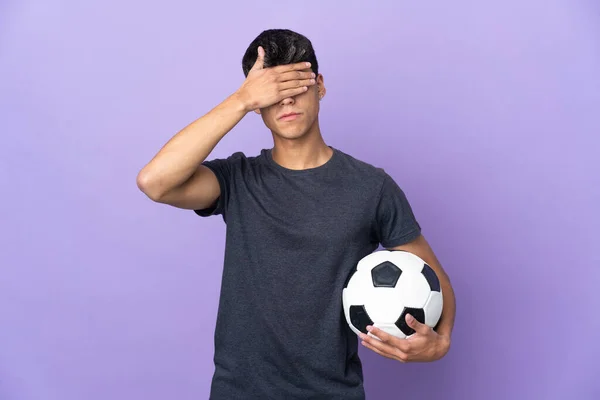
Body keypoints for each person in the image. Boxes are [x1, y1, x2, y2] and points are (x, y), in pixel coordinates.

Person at [136, 29, 456, 400]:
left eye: (297, 85)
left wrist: (442, 340)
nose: (286, 100)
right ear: (258, 105)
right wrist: (240, 100)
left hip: (333, 392)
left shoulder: (372, 187)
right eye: (272, 93)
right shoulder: (237, 179)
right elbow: (154, 182)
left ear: (319, 85)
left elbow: (432, 275)